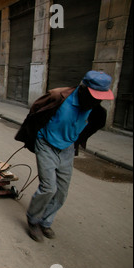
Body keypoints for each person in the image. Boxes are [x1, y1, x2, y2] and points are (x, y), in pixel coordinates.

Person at [15, 71, 114, 242]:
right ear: (83, 89)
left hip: (67, 149)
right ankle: (33, 220)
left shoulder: (97, 112)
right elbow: (35, 112)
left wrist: (76, 141)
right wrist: (33, 137)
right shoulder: (58, 97)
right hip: (46, 144)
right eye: (94, 97)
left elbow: (90, 128)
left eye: (100, 98)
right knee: (48, 188)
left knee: (61, 191)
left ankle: (45, 221)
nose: (97, 101)